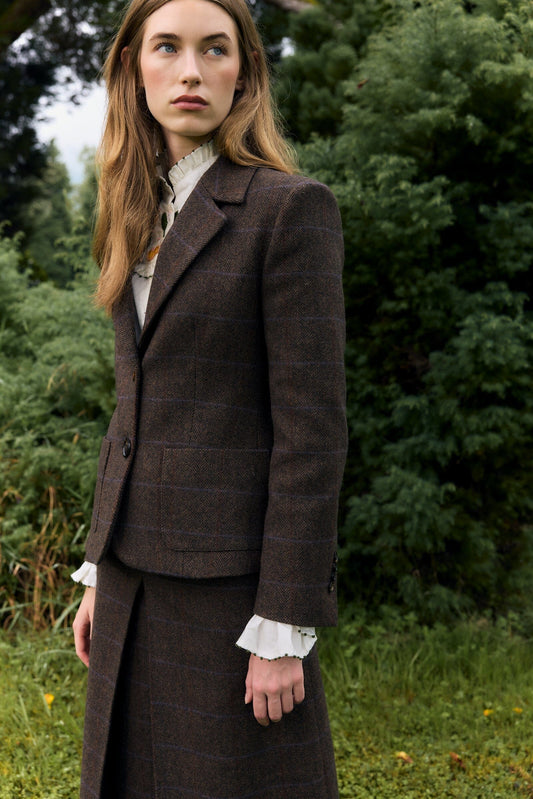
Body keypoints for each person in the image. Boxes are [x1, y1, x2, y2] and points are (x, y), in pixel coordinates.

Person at [71, 0, 347, 796]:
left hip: (230, 594)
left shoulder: (288, 209)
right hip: (131, 577)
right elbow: (135, 406)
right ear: (134, 69)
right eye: (167, 47)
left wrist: (283, 622)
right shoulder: (131, 209)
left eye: (214, 49)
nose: (190, 71)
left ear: (244, 74)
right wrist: (99, 564)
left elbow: (311, 433)